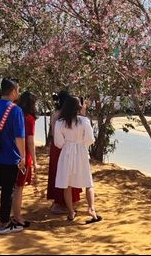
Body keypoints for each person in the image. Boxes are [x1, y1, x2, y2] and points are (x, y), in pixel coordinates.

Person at [0, 78, 26, 235]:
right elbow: (19, 137)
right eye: (18, 90)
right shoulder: (16, 110)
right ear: (13, 91)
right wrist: (23, 157)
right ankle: (4, 223)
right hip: (10, 156)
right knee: (8, 190)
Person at [54, 95, 102, 224]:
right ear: (78, 108)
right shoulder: (84, 121)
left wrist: (68, 145)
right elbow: (90, 139)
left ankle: (71, 212)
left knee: (67, 184)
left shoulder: (60, 123)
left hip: (66, 153)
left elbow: (58, 142)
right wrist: (82, 145)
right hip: (81, 151)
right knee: (88, 182)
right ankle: (92, 209)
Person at [46, 90, 81, 214]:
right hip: (64, 147)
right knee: (65, 174)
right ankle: (60, 203)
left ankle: (63, 202)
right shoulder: (62, 116)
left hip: (57, 147)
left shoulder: (56, 114)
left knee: (59, 174)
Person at [11, 91, 38, 227]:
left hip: (11, 153)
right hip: (23, 155)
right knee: (19, 187)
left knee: (11, 186)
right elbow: (30, 141)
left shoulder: (15, 113)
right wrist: (34, 160)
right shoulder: (29, 119)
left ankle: (10, 214)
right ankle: (17, 216)